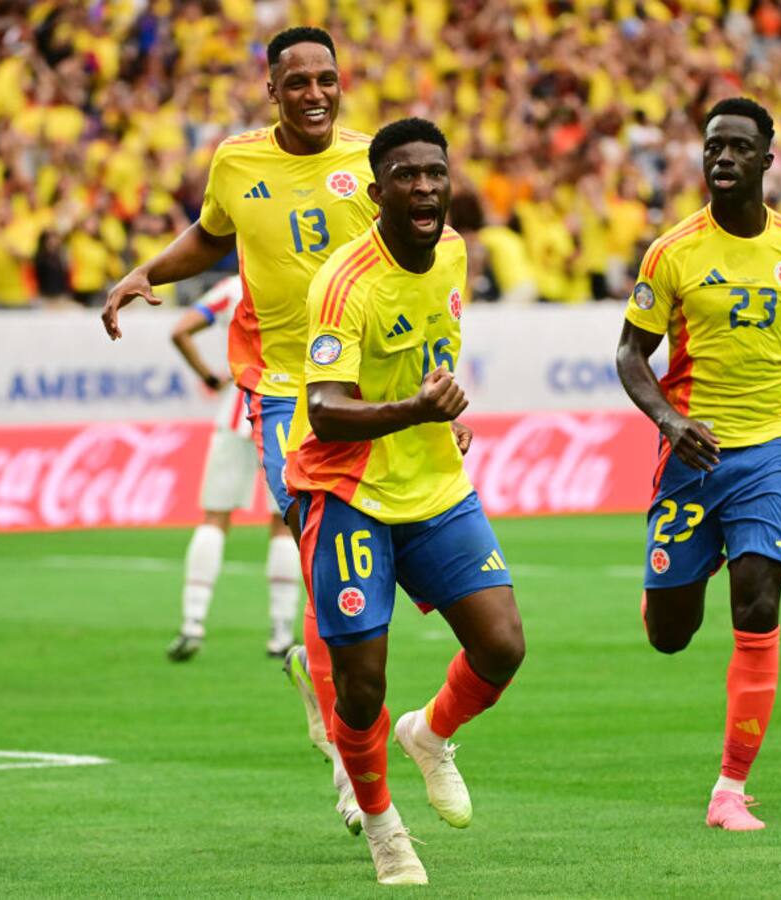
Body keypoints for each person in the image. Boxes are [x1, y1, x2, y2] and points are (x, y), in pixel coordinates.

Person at [100, 27, 377, 834]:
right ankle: (346, 757)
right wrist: (147, 271)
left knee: (372, 579)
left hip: (368, 383)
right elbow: (213, 236)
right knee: (325, 556)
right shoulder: (236, 161)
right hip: (283, 385)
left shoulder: (374, 161)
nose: (316, 93)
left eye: (327, 78)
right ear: (272, 90)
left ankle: (326, 687)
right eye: (299, 81)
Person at [284, 118, 526, 886]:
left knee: (502, 646)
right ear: (377, 190)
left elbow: (428, 355)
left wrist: (441, 415)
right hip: (348, 490)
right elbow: (325, 409)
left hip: (434, 485)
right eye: (406, 176)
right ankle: (384, 826)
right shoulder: (344, 283)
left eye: (435, 173)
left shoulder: (453, 249)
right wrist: (417, 410)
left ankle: (429, 733)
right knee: (362, 687)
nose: (424, 187)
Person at [615, 97, 781, 832]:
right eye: (713, 147)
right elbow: (630, 353)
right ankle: (674, 582)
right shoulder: (672, 252)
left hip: (765, 453)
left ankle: (729, 789)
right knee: (670, 633)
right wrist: (669, 420)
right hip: (691, 456)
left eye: (737, 148)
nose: (722, 158)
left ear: (766, 160)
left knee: (758, 605)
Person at [164, 275, 300, 662]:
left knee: (214, 518)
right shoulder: (302, 275)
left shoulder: (233, 287)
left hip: (236, 410)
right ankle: (280, 632)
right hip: (287, 415)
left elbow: (180, 330)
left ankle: (192, 623)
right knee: (284, 523)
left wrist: (209, 376)